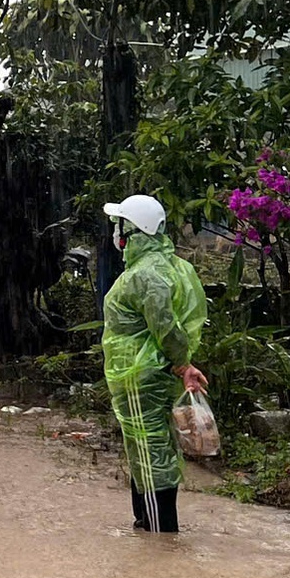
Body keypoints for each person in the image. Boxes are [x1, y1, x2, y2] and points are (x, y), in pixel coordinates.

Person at [100, 192, 209, 535]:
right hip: (155, 375)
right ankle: (148, 529)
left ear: (133, 230)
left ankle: (160, 536)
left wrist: (183, 363)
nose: (116, 233)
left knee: (149, 452)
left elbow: (164, 324)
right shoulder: (175, 267)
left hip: (139, 377)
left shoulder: (144, 274)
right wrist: (181, 363)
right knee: (154, 447)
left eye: (120, 225)